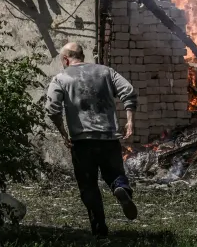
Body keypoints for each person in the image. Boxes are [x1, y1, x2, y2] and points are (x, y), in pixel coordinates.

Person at [45, 41, 138, 238]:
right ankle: (121, 188)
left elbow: (52, 109)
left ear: (65, 59)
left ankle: (99, 230)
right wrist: (129, 121)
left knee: (88, 186)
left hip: (82, 141)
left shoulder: (61, 78)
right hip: (108, 138)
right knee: (114, 174)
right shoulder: (105, 72)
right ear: (82, 56)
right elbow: (128, 90)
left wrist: (63, 132)